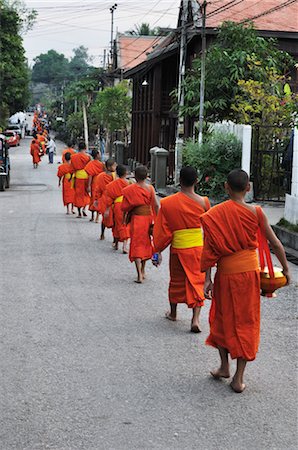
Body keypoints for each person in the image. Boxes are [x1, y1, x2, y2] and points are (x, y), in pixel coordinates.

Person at [201, 169, 290, 393]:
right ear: (248, 188)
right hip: (249, 275)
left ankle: (224, 366)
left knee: (222, 317)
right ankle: (238, 378)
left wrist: (207, 279)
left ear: (225, 187)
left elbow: (209, 250)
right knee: (246, 322)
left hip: (227, 274)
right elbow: (276, 244)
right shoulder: (257, 212)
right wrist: (286, 271)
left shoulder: (215, 214)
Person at [153, 166, 210, 333]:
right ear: (196, 181)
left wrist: (157, 250)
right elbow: (211, 228)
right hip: (197, 249)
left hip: (178, 248)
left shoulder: (168, 203)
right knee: (196, 281)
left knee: (177, 281)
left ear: (179, 180)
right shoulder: (204, 202)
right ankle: (196, 319)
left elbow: (162, 230)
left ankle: (173, 313)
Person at [122, 165, 159, 283]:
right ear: (147, 176)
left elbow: (125, 207)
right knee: (145, 243)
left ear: (135, 176)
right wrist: (157, 220)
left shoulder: (129, 189)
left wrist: (124, 219)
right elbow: (156, 205)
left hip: (136, 219)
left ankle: (139, 274)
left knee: (136, 244)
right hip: (148, 218)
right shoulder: (150, 189)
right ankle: (143, 270)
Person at [102, 164, 130, 253]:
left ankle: (116, 244)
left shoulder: (112, 184)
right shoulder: (130, 184)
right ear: (126, 173)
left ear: (116, 173)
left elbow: (109, 198)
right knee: (125, 224)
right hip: (127, 205)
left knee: (117, 224)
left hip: (117, 206)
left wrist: (107, 209)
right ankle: (125, 246)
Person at [93, 158, 117, 239]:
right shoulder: (115, 177)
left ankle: (102, 234)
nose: (115, 167)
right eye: (114, 165)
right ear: (109, 167)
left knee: (104, 218)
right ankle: (114, 239)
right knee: (114, 218)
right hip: (112, 198)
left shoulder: (100, 176)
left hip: (104, 199)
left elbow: (97, 189)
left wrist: (96, 199)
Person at [69, 141, 91, 218]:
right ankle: (84, 209)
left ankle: (79, 213)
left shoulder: (73, 157)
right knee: (86, 193)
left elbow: (71, 169)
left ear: (78, 148)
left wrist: (71, 177)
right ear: (85, 148)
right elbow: (90, 168)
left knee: (78, 194)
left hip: (78, 177)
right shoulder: (88, 157)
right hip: (86, 177)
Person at [85, 150, 104, 222]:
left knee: (93, 198)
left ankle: (93, 217)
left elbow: (90, 175)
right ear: (97, 155)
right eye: (99, 154)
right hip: (99, 181)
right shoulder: (101, 164)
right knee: (98, 198)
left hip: (94, 182)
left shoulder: (91, 164)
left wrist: (89, 185)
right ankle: (96, 217)